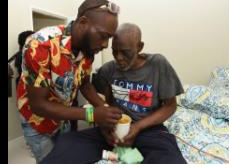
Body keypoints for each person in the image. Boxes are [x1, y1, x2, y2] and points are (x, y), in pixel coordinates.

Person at [40, 23, 187, 164]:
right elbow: (93, 92)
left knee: (168, 159)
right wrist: (106, 127)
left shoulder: (157, 64)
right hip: (115, 129)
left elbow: (170, 106)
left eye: (125, 52)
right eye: (115, 51)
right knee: (68, 142)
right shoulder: (109, 69)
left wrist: (137, 127)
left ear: (139, 47)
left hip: (148, 130)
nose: (119, 57)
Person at [16, 0, 122, 163]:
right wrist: (92, 114)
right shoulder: (40, 46)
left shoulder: (88, 50)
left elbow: (85, 85)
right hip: (37, 122)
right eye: (103, 36)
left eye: (109, 38)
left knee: (66, 157)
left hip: (63, 118)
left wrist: (106, 110)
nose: (105, 45)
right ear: (83, 22)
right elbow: (39, 105)